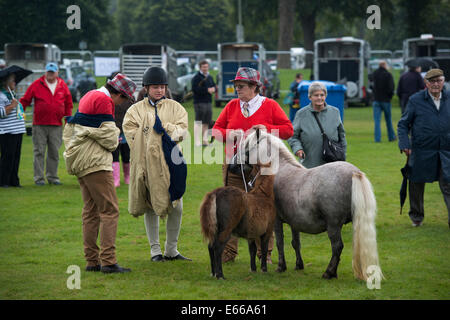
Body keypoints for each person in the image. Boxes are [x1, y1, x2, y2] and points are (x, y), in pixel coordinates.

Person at [212, 67, 293, 263]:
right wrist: (231, 135)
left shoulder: (271, 105)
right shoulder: (231, 106)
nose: (237, 89)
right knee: (231, 207)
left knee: (262, 209)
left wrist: (267, 128)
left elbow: (288, 130)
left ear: (254, 87)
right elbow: (215, 131)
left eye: (241, 86)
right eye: (236, 86)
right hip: (234, 164)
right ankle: (228, 253)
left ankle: (264, 254)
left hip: (262, 166)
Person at [63, 73, 136, 273]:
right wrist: (116, 133)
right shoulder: (105, 101)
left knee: (90, 211)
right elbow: (111, 140)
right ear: (118, 94)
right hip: (95, 162)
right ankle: (108, 261)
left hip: (81, 160)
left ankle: (92, 261)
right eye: (124, 99)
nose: (122, 104)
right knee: (110, 210)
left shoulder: (90, 94)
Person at [123, 66, 191, 262]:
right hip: (147, 164)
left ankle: (171, 250)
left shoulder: (176, 107)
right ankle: (155, 251)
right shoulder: (134, 110)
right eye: (155, 87)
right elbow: (132, 136)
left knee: (176, 206)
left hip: (172, 164)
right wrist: (153, 134)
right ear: (146, 88)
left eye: (162, 86)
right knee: (151, 206)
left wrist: (162, 128)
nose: (159, 90)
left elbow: (182, 132)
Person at [397, 68, 450, 228]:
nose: (435, 84)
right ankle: (417, 216)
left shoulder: (449, 98)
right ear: (426, 83)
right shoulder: (416, 100)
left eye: (438, 80)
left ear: (443, 82)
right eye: (432, 81)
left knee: (448, 183)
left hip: (446, 151)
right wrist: (405, 144)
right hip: (421, 150)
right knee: (416, 183)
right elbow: (403, 124)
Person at [20, 62, 73, 186]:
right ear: (45, 72)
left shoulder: (62, 85)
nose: (50, 74)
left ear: (57, 73)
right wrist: (19, 115)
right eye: (48, 72)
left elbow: (68, 104)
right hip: (39, 124)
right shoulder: (36, 84)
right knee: (39, 151)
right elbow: (25, 100)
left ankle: (52, 177)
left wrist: (67, 120)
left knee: (54, 152)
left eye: (52, 72)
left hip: (56, 125)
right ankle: (39, 178)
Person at [288, 81, 347, 168]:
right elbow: (292, 136)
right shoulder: (301, 114)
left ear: (325, 96)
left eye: (322, 95)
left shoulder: (335, 112)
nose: (319, 98)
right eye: (316, 95)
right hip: (309, 165)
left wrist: (343, 155)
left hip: (332, 164)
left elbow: (342, 136)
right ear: (310, 97)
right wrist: (298, 149)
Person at [0, 73, 26, 187]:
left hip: (17, 130)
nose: (14, 83)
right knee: (7, 157)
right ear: (6, 83)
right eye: (12, 81)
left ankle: (14, 181)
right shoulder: (1, 96)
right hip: (7, 131)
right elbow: (1, 113)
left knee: (16, 157)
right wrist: (12, 106)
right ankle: (4, 181)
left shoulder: (12, 95)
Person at [108, 72, 132, 188]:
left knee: (127, 154)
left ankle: (128, 177)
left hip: (126, 130)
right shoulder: (109, 97)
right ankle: (115, 179)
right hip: (113, 130)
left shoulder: (129, 97)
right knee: (114, 154)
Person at [192, 60, 216, 147]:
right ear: (200, 67)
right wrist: (207, 90)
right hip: (199, 102)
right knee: (198, 122)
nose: (205, 68)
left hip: (208, 102)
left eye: (206, 67)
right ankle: (197, 142)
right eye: (203, 67)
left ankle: (205, 141)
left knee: (207, 122)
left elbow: (214, 86)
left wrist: (214, 89)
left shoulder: (210, 77)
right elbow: (194, 89)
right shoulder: (196, 77)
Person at [372, 61, 396, 142]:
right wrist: (390, 96)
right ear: (385, 66)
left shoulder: (375, 74)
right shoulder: (388, 75)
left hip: (376, 99)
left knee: (377, 121)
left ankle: (377, 139)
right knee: (388, 120)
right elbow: (391, 87)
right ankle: (391, 137)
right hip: (386, 100)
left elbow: (370, 81)